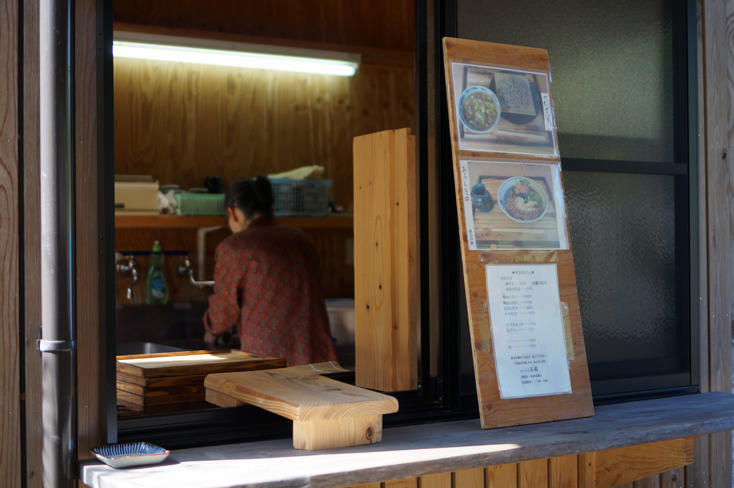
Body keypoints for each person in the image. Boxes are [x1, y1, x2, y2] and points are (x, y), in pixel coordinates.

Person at [203, 176, 337, 366]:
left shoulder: (236, 247)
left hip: (271, 364)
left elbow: (223, 311)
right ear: (271, 210)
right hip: (317, 360)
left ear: (232, 214)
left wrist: (211, 330)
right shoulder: (302, 239)